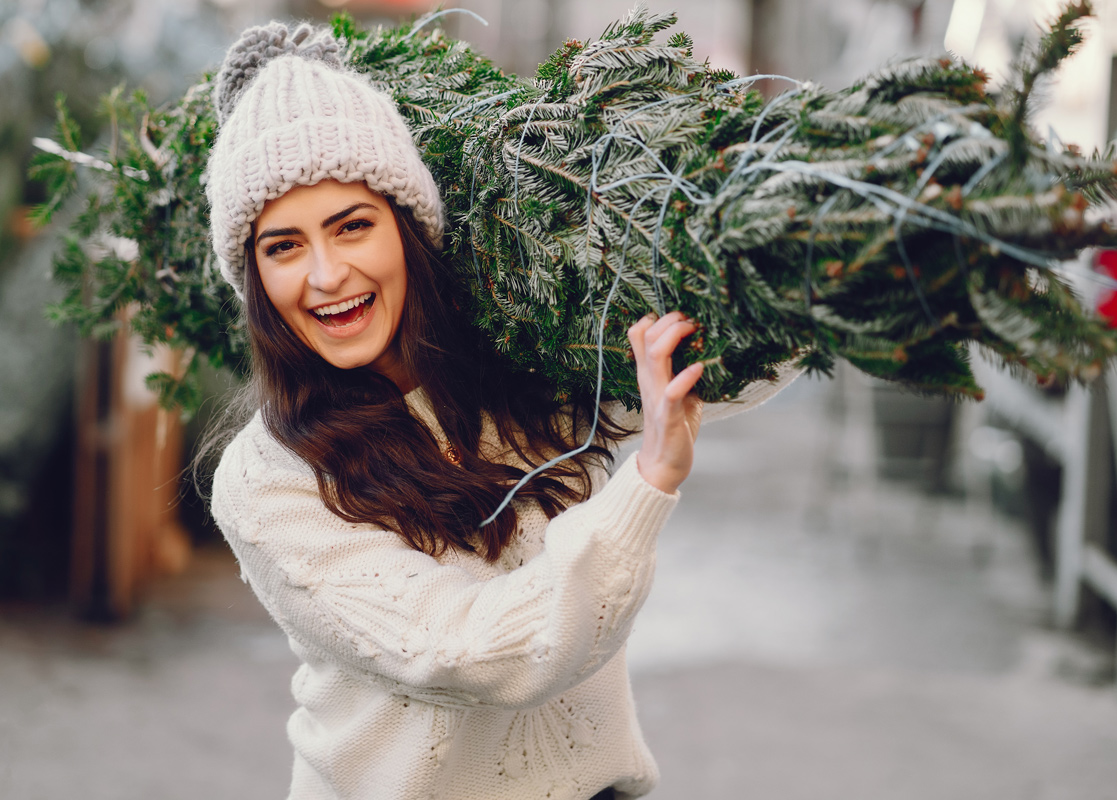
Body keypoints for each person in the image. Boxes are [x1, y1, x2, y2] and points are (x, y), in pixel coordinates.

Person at [207, 22, 794, 800]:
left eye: (353, 225)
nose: (325, 274)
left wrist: (809, 252)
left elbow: (736, 367)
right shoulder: (269, 480)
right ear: (254, 278)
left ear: (408, 228)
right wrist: (648, 480)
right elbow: (469, 652)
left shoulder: (524, 365)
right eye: (283, 246)